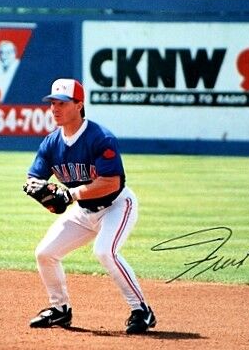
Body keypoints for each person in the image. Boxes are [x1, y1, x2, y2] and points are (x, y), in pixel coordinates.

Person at [25, 78, 156, 334]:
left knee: (105, 251)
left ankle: (142, 310)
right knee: (45, 253)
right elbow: (35, 176)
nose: (55, 108)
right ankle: (60, 309)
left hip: (116, 205)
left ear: (79, 105)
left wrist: (70, 194)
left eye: (62, 103)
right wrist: (35, 187)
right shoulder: (51, 143)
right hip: (83, 212)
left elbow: (111, 182)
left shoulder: (100, 138)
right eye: (52, 103)